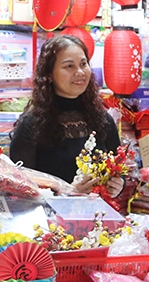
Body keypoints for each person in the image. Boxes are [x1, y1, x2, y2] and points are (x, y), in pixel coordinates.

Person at [10, 35, 125, 199]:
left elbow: (118, 169)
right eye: (69, 66)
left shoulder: (102, 119)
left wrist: (118, 185)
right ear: (49, 74)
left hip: (98, 217)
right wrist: (67, 192)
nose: (80, 72)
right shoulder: (32, 124)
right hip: (48, 221)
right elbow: (18, 188)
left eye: (83, 64)